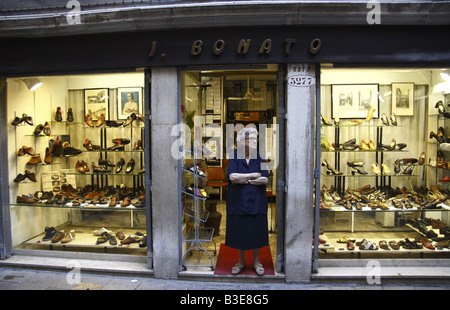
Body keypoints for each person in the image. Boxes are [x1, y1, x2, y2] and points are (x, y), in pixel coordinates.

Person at [225, 126, 269, 276]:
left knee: (256, 230)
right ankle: (241, 261)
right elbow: (232, 177)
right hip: (238, 201)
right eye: (252, 139)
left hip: (257, 201)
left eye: (256, 139)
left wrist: (246, 180)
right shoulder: (234, 156)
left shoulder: (261, 157)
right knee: (241, 231)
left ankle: (257, 261)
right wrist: (253, 175)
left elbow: (264, 179)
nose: (255, 142)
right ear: (243, 141)